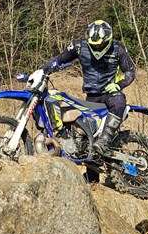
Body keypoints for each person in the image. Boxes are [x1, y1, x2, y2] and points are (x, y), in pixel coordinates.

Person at [36, 20, 136, 155]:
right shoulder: (78, 47)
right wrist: (43, 70)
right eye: (94, 44)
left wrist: (119, 85)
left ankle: (105, 141)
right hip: (90, 97)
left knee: (119, 102)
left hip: (110, 93)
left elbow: (130, 71)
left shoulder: (118, 49)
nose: (97, 47)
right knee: (86, 139)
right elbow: (59, 59)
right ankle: (91, 174)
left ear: (108, 40)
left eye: (100, 44)